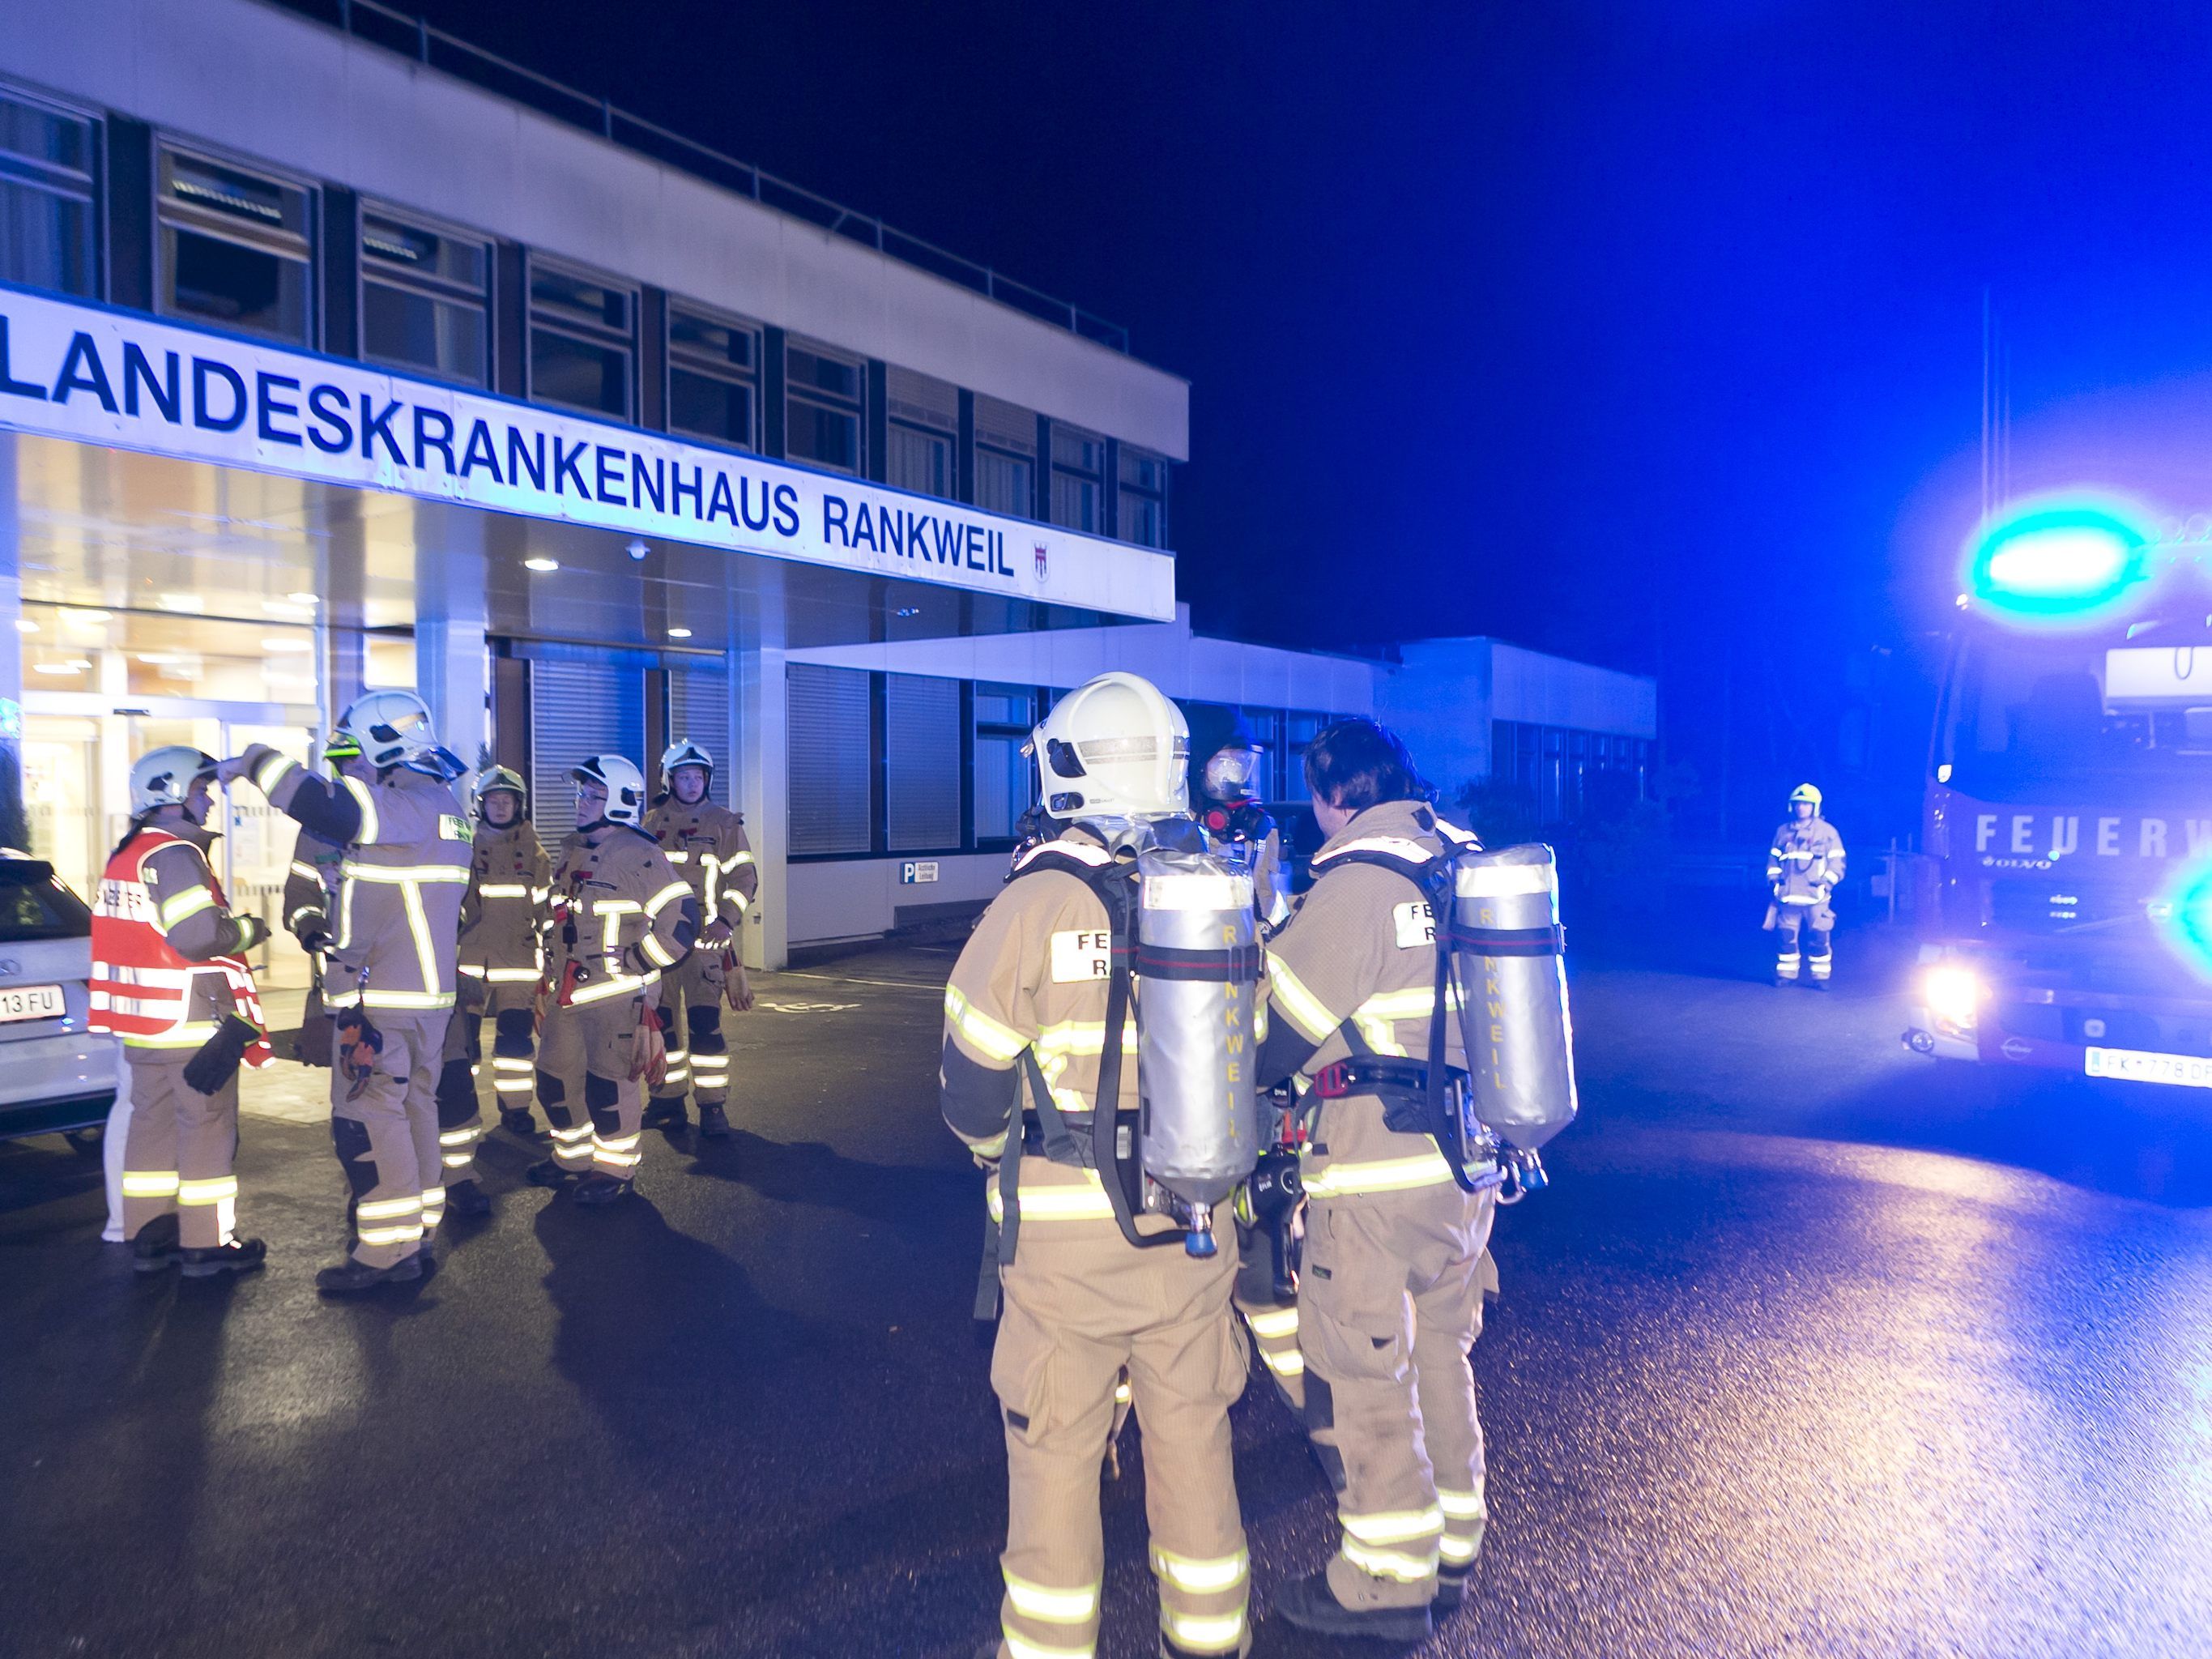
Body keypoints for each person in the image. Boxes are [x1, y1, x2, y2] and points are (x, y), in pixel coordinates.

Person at [941, 671, 1252, 1659]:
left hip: (1068, 1246)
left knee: (1055, 1453)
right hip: (1197, 1220)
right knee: (1194, 1441)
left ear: (1066, 769)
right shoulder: (1217, 886)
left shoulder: (1035, 900)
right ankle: (1208, 1637)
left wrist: (996, 1158)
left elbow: (971, 1074)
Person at [1255, 717, 1495, 1643]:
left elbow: (1276, 1034)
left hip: (1375, 1172)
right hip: (1464, 1168)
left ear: (1329, 796)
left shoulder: (1359, 882)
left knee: (1363, 1368)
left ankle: (1384, 1579)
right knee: (1441, 1351)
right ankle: (1451, 1547)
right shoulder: (1459, 861)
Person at [219, 691, 473, 1293]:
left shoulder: (407, 803)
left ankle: (385, 1255)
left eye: (356, 752)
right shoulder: (435, 807)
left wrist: (251, 758)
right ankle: (414, 1236)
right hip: (416, 999)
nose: (349, 767)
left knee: (366, 1122)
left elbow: (314, 799)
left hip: (383, 1000)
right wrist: (315, 921)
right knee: (412, 1115)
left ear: (385, 745)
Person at [90, 745, 273, 1277]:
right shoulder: (175, 854)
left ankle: (151, 1233)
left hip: (144, 1028)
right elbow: (196, 937)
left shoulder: (127, 854)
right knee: (206, 1129)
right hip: (192, 1023)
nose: (209, 799)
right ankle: (207, 1244)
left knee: (151, 1127)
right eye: (201, 790)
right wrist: (246, 929)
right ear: (171, 795)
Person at [529, 756, 695, 1204]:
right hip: (568, 992)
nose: (582, 802)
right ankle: (572, 1158)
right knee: (554, 1078)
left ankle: (614, 1170)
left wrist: (640, 963)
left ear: (620, 802)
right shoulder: (572, 848)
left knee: (609, 1086)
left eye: (593, 795)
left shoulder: (639, 854)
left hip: (616, 997)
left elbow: (682, 921)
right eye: (582, 793)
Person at [641, 740, 756, 1137]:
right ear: (669, 780)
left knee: (706, 1025)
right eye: (684, 777)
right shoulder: (650, 823)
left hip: (706, 942)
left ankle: (712, 1108)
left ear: (707, 779)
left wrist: (726, 920)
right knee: (664, 1023)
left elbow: (744, 879)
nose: (692, 783)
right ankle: (666, 1100)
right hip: (660, 942)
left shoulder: (724, 823)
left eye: (698, 776)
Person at [443, 766, 551, 1143]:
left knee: (515, 1045)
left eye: (507, 800)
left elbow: (546, 910)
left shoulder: (536, 854)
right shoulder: (464, 847)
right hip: (470, 963)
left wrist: (550, 955)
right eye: (494, 800)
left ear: (518, 805)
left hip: (519, 963)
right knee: (464, 1042)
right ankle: (462, 1107)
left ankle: (516, 1110)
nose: (500, 806)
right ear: (481, 804)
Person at [1196, 724, 1289, 928]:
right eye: (1223, 765)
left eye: (1242, 764)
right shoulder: (1185, 834)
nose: (1234, 777)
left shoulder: (1262, 834)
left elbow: (1271, 903)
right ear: (1198, 769)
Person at [1767, 783, 1846, 988]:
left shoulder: (1827, 832)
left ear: (1815, 807)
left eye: (1806, 804)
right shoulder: (1783, 832)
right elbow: (1773, 860)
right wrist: (1775, 883)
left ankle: (1821, 978)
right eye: (1798, 804)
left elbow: (1837, 862)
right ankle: (1786, 975)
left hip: (1816, 897)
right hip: (1788, 896)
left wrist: (1827, 883)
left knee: (1819, 938)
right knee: (1786, 938)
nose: (1801, 807)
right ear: (1792, 806)